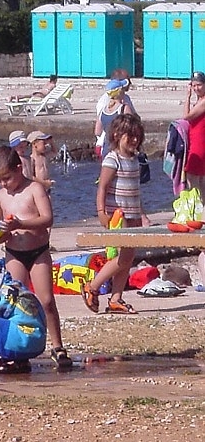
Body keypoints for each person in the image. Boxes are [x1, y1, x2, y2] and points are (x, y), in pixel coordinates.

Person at [0, 145, 72, 369]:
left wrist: (21, 224)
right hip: (14, 253)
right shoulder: (0, 197)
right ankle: (17, 349)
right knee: (16, 303)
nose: (4, 184)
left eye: (7, 178)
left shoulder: (34, 189)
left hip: (38, 252)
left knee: (45, 300)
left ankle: (57, 345)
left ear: (18, 168)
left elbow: (47, 218)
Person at [82, 114, 146, 314]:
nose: (134, 140)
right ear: (117, 135)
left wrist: (142, 215)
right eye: (130, 136)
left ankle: (116, 298)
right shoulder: (113, 158)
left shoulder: (135, 159)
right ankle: (92, 286)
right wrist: (101, 211)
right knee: (121, 257)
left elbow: (134, 191)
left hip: (133, 214)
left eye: (137, 136)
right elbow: (102, 187)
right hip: (118, 216)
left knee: (128, 258)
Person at [183, 70, 205, 290]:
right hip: (197, 145)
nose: (196, 87)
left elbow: (186, 117)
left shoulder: (203, 101)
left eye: (198, 85)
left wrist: (187, 97)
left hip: (200, 148)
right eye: (194, 85)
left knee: (194, 187)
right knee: (195, 189)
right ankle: (197, 219)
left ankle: (197, 220)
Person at [95, 79, 134, 159]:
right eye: (123, 89)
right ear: (120, 92)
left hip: (107, 149)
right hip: (121, 149)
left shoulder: (103, 110)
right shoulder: (124, 108)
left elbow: (97, 132)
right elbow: (132, 128)